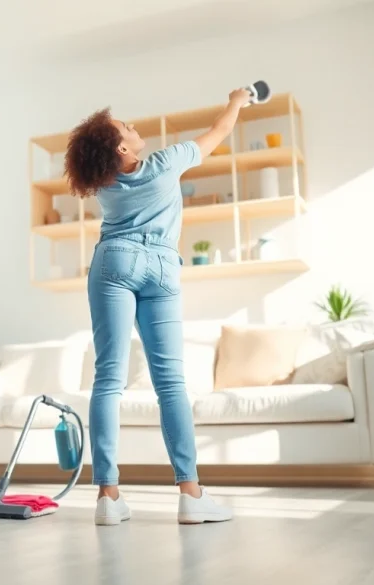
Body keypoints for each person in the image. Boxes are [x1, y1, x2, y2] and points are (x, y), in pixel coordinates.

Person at [63, 88, 253, 525]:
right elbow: (220, 131)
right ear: (122, 147)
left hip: (114, 260)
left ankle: (108, 499)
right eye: (125, 127)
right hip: (163, 266)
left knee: (108, 379)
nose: (133, 126)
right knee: (170, 383)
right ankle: (191, 494)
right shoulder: (167, 163)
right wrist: (237, 101)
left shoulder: (105, 184)